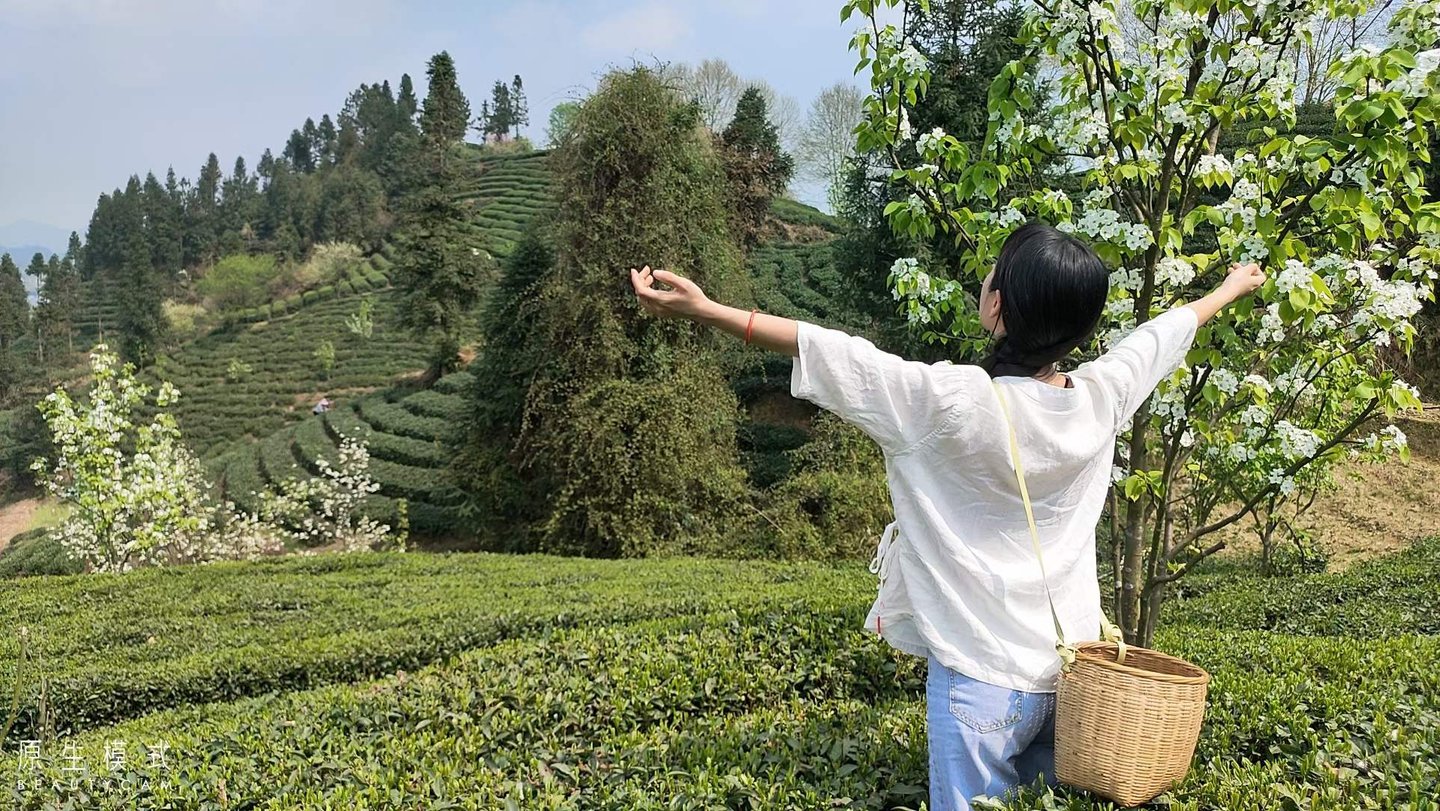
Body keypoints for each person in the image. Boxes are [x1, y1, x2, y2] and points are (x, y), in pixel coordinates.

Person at [629, 221, 1265, 810]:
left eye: (993, 274)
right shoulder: (1102, 399)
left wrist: (706, 310)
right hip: (1074, 677)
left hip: (981, 682)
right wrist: (1230, 288)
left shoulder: (947, 401)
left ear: (997, 308)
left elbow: (837, 353)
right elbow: (1158, 339)